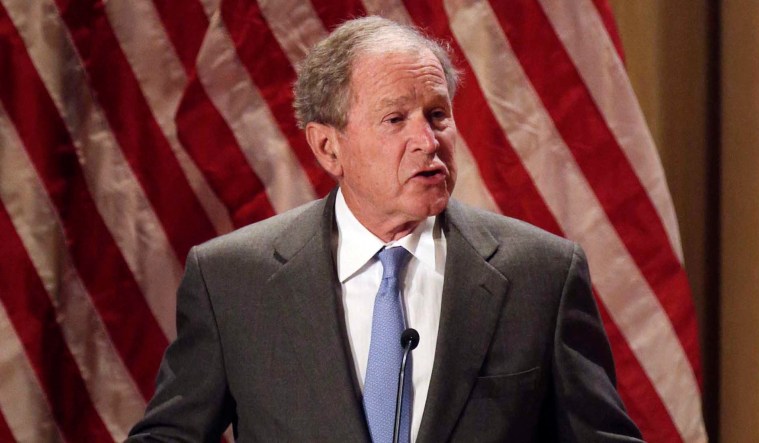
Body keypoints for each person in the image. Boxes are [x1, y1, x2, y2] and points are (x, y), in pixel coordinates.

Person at [128, 16, 643, 442]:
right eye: (395, 120)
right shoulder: (231, 281)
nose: (427, 140)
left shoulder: (541, 275)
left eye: (437, 115)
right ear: (329, 147)